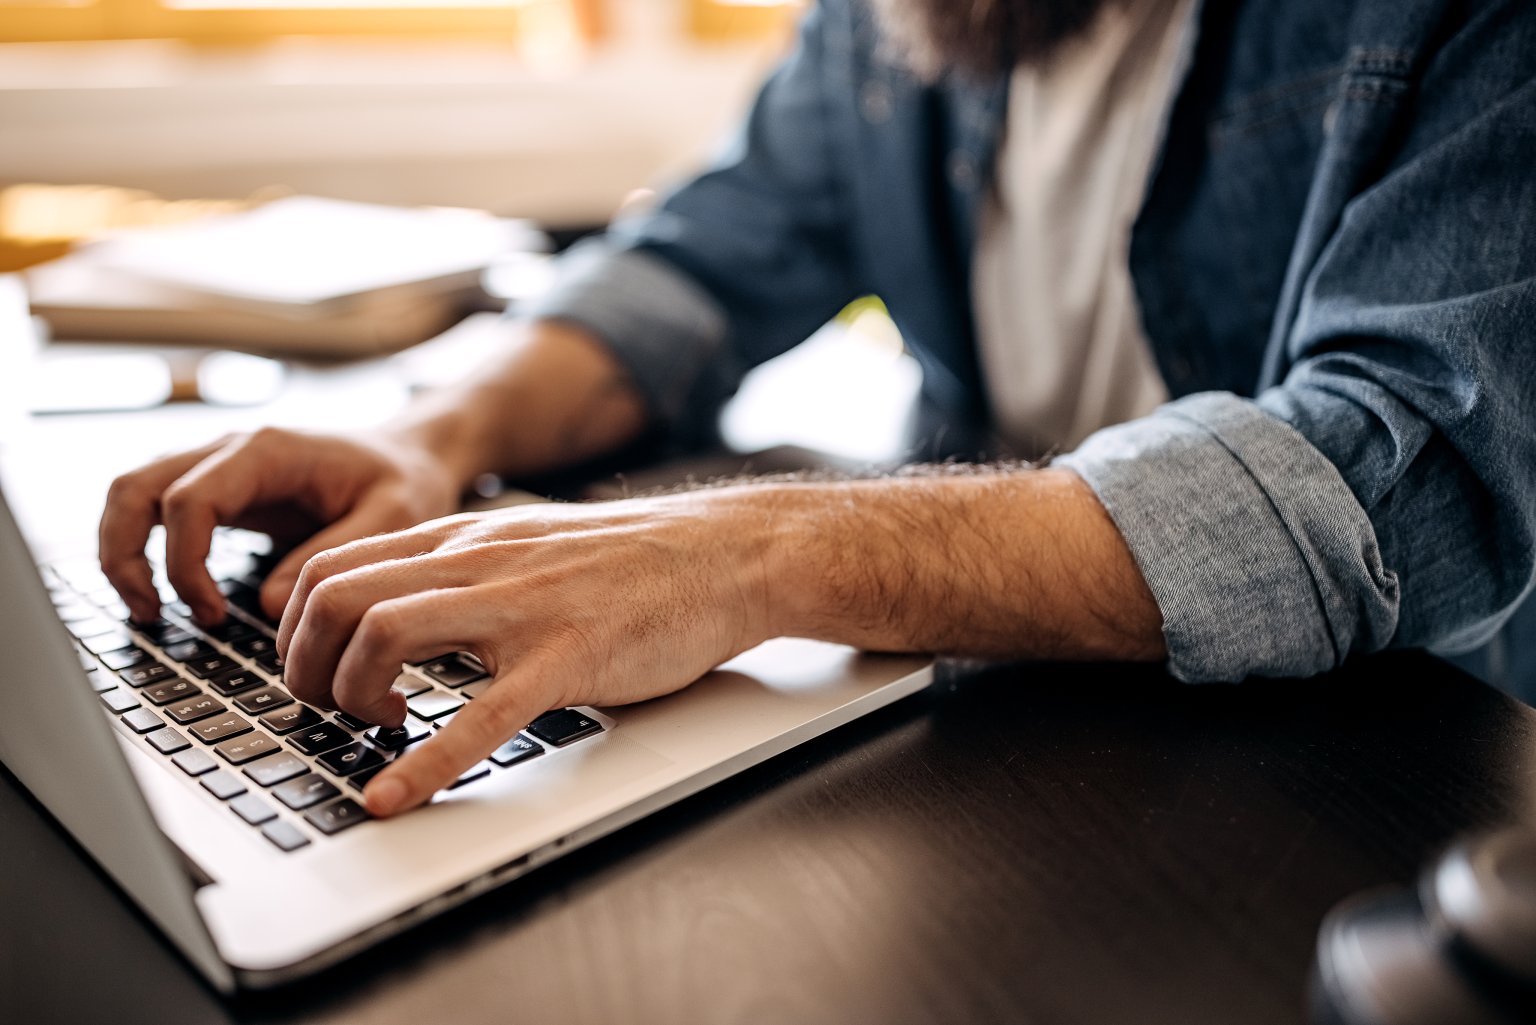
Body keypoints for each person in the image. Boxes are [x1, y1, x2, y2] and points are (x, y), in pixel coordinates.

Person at [97, 0, 1536, 818]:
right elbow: (693, 265)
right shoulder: (892, 24)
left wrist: (754, 553)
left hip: (1374, 799)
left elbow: (1409, 469)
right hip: (1001, 760)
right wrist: (435, 433)